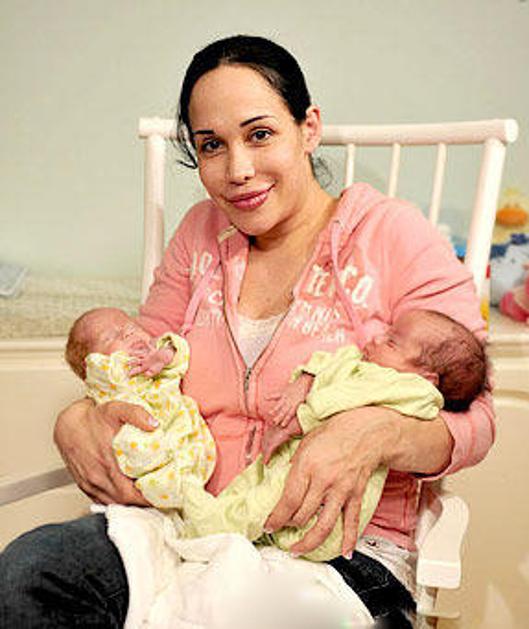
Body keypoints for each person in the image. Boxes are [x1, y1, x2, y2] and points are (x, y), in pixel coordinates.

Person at [0, 35, 495, 628]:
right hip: (184, 522)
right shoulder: (199, 235)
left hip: (336, 548)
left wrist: (375, 432)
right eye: (212, 145)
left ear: (308, 128)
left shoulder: (392, 235)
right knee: (32, 575)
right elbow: (143, 358)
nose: (238, 170)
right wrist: (78, 416)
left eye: (260, 134)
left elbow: (476, 420)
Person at [181, 308, 486, 563]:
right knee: (257, 481)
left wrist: (302, 417)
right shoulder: (368, 366)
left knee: (269, 499)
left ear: (426, 377)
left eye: (392, 342)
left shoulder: (412, 391)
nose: (376, 338)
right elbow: (333, 362)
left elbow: (341, 399)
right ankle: (217, 512)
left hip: (329, 506)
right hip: (295, 459)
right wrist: (307, 377)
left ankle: (214, 526)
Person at [64, 307, 216, 508]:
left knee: (187, 454)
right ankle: (169, 491)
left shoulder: (159, 366)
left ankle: (187, 494)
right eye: (110, 336)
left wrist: (164, 355)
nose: (128, 333)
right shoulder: (109, 375)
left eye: (132, 327)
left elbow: (179, 354)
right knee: (134, 441)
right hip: (140, 443)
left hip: (183, 435)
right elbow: (102, 372)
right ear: (91, 363)